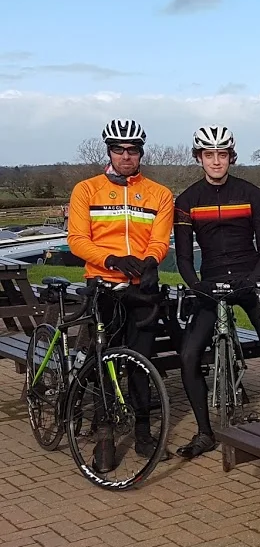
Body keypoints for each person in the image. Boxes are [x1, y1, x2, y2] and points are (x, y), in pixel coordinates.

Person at [173, 125, 260, 458]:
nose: (216, 161)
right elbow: (184, 256)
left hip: (250, 278)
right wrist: (195, 285)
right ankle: (204, 433)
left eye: (222, 155)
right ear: (199, 157)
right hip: (209, 283)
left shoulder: (251, 193)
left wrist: (255, 279)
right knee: (188, 355)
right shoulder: (186, 201)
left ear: (231, 157)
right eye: (209, 155)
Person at [67, 118, 174, 470]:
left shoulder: (159, 193)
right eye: (119, 150)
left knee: (141, 363)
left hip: (141, 288)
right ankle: (105, 435)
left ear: (141, 152)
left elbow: (160, 239)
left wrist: (148, 262)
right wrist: (110, 258)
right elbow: (77, 240)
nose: (126, 156)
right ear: (109, 151)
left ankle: (143, 433)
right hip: (104, 288)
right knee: (103, 364)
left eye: (132, 150)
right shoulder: (87, 189)